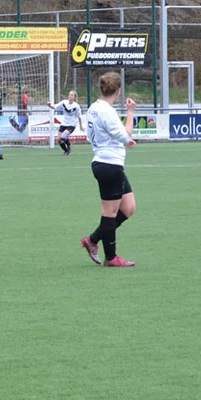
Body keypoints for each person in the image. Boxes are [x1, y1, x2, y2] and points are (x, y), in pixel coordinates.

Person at [79, 72, 137, 267]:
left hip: (109, 164)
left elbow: (91, 135)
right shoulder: (107, 112)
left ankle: (93, 240)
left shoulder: (93, 108)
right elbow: (126, 135)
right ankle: (111, 258)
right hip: (108, 164)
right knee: (109, 214)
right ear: (118, 91)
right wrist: (130, 112)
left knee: (128, 208)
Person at [47, 90, 85, 155]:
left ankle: (69, 145)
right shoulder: (64, 102)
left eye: (72, 95)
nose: (70, 96)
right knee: (59, 140)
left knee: (63, 136)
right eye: (69, 94)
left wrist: (81, 127)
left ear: (74, 97)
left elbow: (79, 117)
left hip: (72, 124)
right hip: (64, 123)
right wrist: (49, 105)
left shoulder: (76, 106)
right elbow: (54, 106)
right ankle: (66, 151)